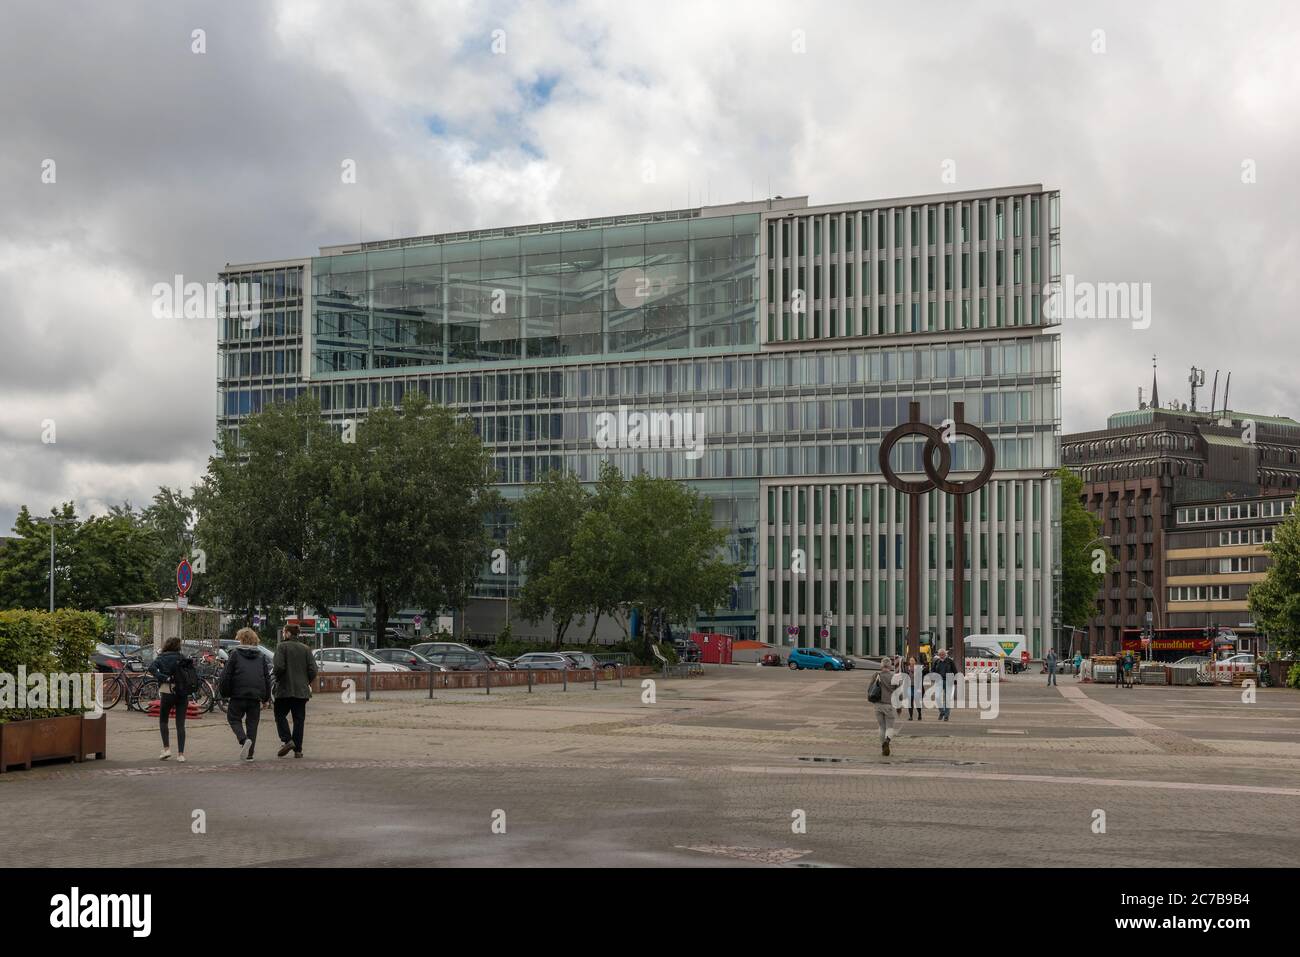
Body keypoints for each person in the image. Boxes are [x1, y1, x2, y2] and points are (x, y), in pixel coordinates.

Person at [220, 627, 273, 760]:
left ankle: (243, 740)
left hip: (238, 694)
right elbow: (266, 678)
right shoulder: (261, 656)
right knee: (252, 724)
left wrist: (225, 693)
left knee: (233, 718)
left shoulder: (235, 654)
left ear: (241, 639)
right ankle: (250, 754)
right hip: (255, 696)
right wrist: (266, 698)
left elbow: (226, 675)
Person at [272, 623, 318, 758]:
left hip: (285, 689)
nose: (283, 634)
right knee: (299, 719)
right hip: (301, 691)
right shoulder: (306, 649)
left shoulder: (282, 647)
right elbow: (313, 670)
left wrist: (278, 678)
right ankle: (298, 749)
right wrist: (305, 681)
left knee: (279, 714)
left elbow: (279, 667)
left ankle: (287, 740)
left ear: (287, 633)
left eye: (284, 632)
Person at [147, 636, 188, 763]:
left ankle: (166, 749)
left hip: (167, 691)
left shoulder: (162, 657)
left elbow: (151, 668)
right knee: (180, 724)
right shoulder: (182, 658)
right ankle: (181, 754)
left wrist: (164, 677)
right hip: (182, 691)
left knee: (163, 720)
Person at [871, 657, 901, 756]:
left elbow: (870, 689)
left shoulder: (876, 675)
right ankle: (887, 742)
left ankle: (882, 746)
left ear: (881, 665)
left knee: (881, 727)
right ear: (890, 666)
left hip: (877, 705)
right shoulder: (894, 677)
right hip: (889, 705)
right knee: (890, 727)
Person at [931, 647, 959, 721]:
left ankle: (946, 715)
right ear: (938, 655)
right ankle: (942, 712)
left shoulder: (950, 661)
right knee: (937, 697)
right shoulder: (936, 662)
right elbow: (932, 670)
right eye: (940, 654)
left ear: (945, 654)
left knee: (947, 699)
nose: (941, 656)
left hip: (948, 681)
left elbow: (955, 671)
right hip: (939, 681)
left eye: (943, 654)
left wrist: (955, 680)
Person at [905, 655, 925, 720]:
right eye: (910, 660)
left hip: (917, 687)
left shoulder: (919, 669)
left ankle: (919, 714)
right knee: (910, 702)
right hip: (909, 687)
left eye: (913, 660)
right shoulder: (906, 669)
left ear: (915, 662)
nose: (912, 661)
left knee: (917, 702)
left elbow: (920, 679)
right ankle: (910, 716)